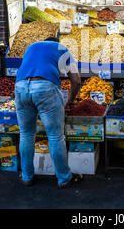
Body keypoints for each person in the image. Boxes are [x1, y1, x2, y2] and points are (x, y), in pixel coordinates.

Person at [14, 36, 83, 187]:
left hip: (20, 87)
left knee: (26, 134)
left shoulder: (31, 46)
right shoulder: (62, 48)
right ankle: (64, 178)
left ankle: (26, 177)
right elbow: (76, 81)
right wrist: (69, 100)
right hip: (45, 88)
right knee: (55, 136)